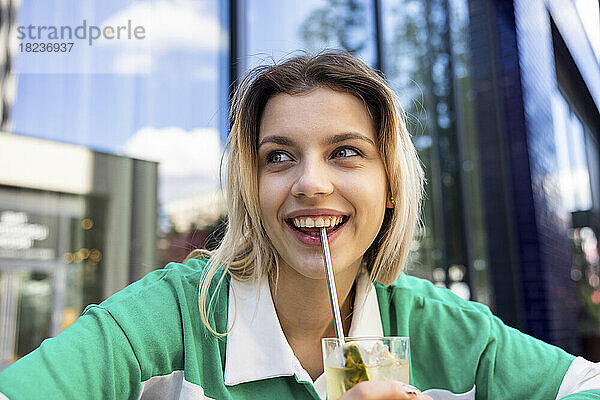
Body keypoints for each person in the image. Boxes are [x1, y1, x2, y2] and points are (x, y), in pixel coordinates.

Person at [0, 51, 599, 400]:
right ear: (251, 189)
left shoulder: (434, 325)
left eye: (345, 152)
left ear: (390, 186)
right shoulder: (174, 317)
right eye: (279, 156)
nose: (310, 183)